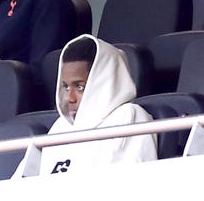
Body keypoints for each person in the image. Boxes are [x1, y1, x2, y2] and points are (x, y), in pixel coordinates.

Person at [39, 35, 158, 175]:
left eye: (79, 87)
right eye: (66, 87)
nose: (69, 98)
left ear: (103, 83)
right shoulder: (59, 127)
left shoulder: (129, 116)